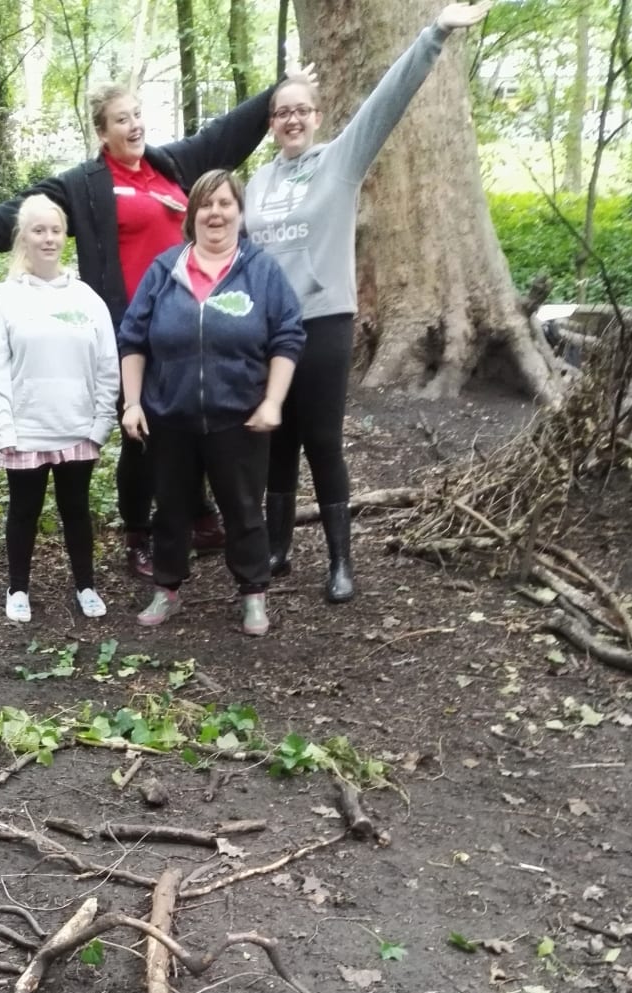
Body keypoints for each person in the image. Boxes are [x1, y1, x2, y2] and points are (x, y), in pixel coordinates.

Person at [0, 72, 312, 580]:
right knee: (142, 434)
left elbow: (224, 134)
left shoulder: (169, 164)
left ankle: (198, 515)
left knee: (190, 419)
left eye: (137, 115)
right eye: (122, 120)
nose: (134, 125)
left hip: (189, 324)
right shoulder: (85, 185)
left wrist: (279, 91)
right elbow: (24, 212)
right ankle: (138, 533)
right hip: (132, 328)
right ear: (102, 132)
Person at [244, 1, 492, 603]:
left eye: (301, 110)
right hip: (268, 330)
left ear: (317, 116)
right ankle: (278, 548)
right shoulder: (257, 183)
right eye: (282, 112)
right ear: (271, 123)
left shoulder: (340, 161)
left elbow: (387, 101)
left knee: (322, 441)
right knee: (277, 442)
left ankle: (340, 561)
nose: (292, 119)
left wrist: (434, 34)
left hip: (323, 321)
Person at [119, 170, 303, 638]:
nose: (215, 213)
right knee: (171, 508)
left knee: (244, 509)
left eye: (225, 204)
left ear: (240, 213)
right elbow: (133, 339)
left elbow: (287, 336)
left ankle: (253, 594)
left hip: (239, 417)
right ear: (192, 214)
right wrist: (133, 403)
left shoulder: (261, 271)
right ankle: (167, 590)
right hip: (169, 416)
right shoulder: (165, 270)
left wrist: (273, 401)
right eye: (206, 204)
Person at [0, 195, 119, 623]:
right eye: (38, 230)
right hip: (26, 432)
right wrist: (5, 429)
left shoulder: (87, 298)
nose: (48, 238)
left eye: (55, 230)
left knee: (76, 511)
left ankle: (86, 586)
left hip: (77, 430)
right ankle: (18, 589)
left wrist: (100, 424)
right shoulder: (4, 299)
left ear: (65, 236)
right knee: (24, 512)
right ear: (23, 236)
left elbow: (108, 366)